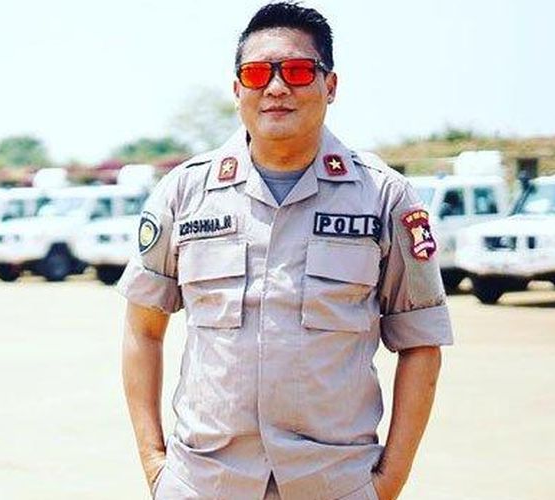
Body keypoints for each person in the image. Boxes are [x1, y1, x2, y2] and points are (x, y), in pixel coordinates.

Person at [118, 3, 453, 499]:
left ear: (330, 85)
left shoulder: (384, 197)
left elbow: (421, 342)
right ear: (238, 90)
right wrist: (154, 463)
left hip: (334, 484)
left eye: (297, 71)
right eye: (257, 74)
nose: (276, 88)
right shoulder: (184, 194)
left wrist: (387, 483)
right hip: (204, 484)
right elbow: (142, 330)